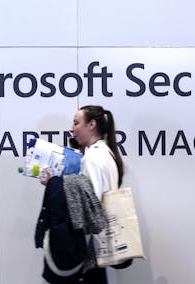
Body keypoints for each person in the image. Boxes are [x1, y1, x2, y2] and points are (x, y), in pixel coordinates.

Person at [36, 105, 125, 284]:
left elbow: (88, 207)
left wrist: (56, 183)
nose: (71, 128)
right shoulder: (105, 153)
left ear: (91, 124)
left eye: (76, 123)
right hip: (97, 247)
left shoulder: (93, 158)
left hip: (86, 250)